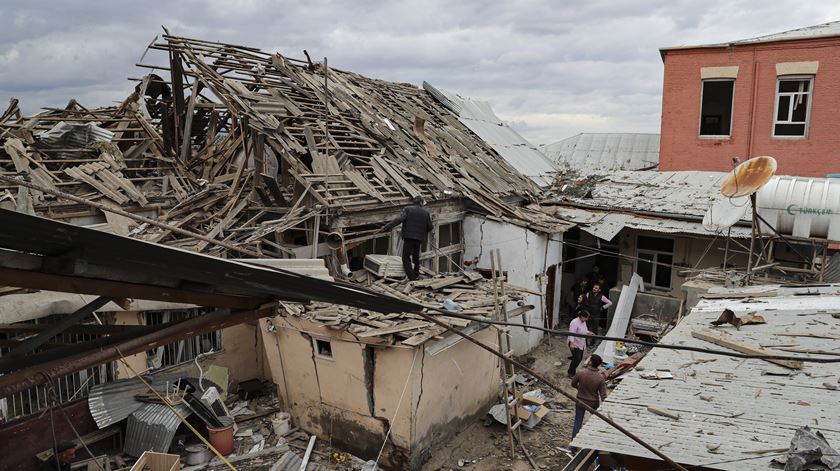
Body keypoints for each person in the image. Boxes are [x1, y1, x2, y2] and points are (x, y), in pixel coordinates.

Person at [381, 196, 433, 281]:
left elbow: (399, 220)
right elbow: (430, 227)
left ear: (414, 202)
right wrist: (423, 232)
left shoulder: (408, 209)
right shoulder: (426, 213)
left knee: (406, 256)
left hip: (409, 237)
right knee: (416, 256)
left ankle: (411, 276)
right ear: (421, 203)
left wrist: (386, 227)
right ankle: (416, 273)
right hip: (419, 238)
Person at [571, 354, 607, 439]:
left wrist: (580, 388)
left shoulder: (581, 372)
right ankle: (593, 439)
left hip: (580, 401)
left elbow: (573, 384)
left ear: (590, 362)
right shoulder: (600, 378)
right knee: (595, 421)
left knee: (578, 422)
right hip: (593, 403)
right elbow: (603, 395)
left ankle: (574, 444)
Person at [567, 309, 594, 377]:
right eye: (586, 317)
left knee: (579, 358)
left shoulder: (583, 322)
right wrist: (572, 343)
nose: (587, 319)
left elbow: (583, 330)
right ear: (582, 316)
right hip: (574, 342)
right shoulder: (574, 322)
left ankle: (573, 371)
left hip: (581, 342)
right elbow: (571, 333)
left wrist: (588, 332)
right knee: (577, 358)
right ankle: (570, 372)